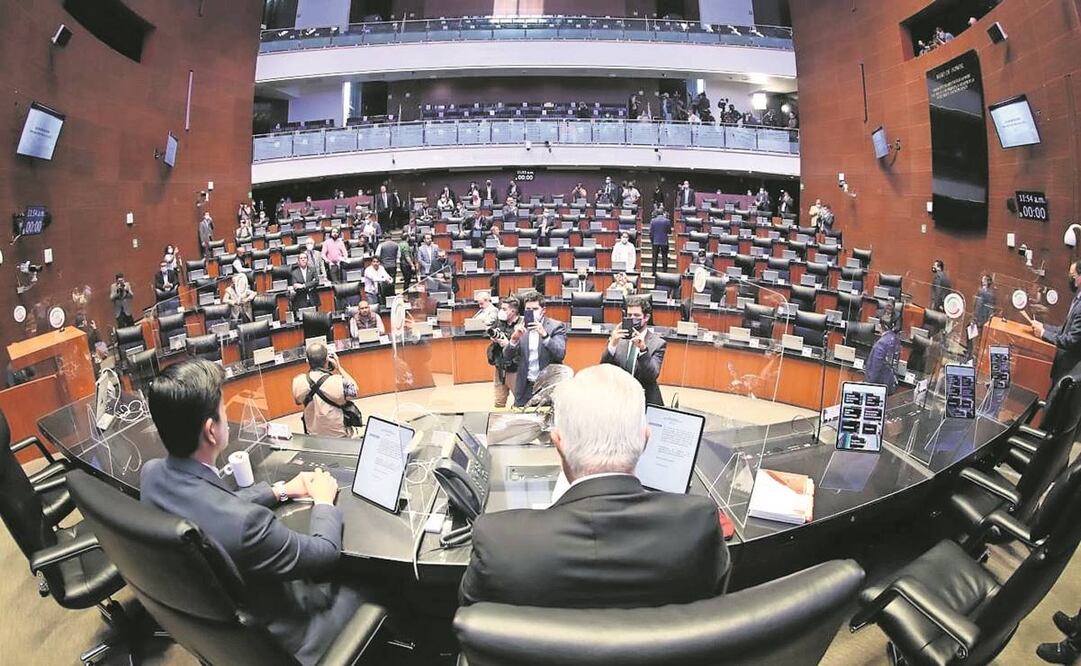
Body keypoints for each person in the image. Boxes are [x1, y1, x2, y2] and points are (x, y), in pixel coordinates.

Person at [141, 360, 361, 665]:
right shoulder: (247, 525)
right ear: (211, 431)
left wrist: (281, 490)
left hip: (221, 640)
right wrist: (323, 501)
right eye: (223, 411)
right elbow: (324, 553)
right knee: (374, 587)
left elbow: (218, 502)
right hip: (290, 639)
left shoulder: (151, 475)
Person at [459, 364, 728, 607]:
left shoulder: (498, 539)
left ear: (558, 444)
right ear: (646, 439)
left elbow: (472, 616)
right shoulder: (699, 522)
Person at [499, 290, 567, 407]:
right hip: (525, 387)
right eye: (528, 309)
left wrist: (545, 335)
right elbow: (506, 357)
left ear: (543, 310)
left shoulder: (556, 327)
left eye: (535, 309)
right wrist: (513, 340)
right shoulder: (520, 327)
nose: (531, 312)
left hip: (547, 386)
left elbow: (560, 354)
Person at [601, 295, 666, 406]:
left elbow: (651, 376)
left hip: (644, 398)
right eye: (629, 315)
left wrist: (643, 350)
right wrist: (612, 345)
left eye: (636, 315)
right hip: (619, 395)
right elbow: (604, 368)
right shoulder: (618, 337)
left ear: (646, 317)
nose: (632, 319)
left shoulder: (658, 343)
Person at [292, 342, 359, 438]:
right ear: (327, 359)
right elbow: (355, 390)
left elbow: (298, 401)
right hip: (339, 436)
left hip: (314, 436)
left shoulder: (298, 381)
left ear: (307, 361)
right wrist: (339, 368)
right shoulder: (338, 381)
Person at [1031, 260, 1081, 387]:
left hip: (1068, 370)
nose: (1070, 279)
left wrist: (1043, 334)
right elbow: (1064, 330)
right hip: (1062, 366)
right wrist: (1043, 327)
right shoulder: (1077, 299)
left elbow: (1071, 341)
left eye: (1073, 276)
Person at [864, 310, 901, 394]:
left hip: (877, 387)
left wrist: (867, 386)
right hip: (889, 385)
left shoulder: (881, 344)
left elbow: (875, 368)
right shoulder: (896, 339)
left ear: (881, 326)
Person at [649, 207, 673, 275]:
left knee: (654, 257)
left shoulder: (653, 221)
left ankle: (654, 272)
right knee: (664, 257)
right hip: (664, 241)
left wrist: (652, 240)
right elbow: (669, 232)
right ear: (663, 213)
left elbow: (651, 232)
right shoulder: (667, 221)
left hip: (655, 241)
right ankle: (665, 272)